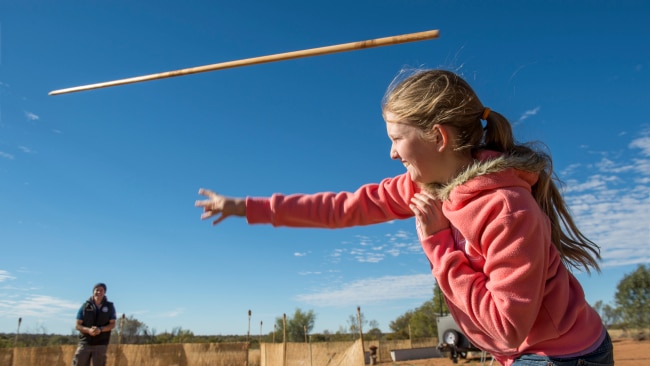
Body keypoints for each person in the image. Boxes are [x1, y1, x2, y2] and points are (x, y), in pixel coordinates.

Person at [195, 69, 614, 366]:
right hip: (519, 352)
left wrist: (438, 244)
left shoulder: (506, 208)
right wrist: (244, 207)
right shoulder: (424, 187)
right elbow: (341, 208)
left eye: (397, 138)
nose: (392, 153)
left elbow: (506, 327)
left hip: (562, 355)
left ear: (439, 136)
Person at [72, 282, 117, 366]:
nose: (99, 292)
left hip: (101, 343)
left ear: (104, 292)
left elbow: (112, 324)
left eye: (101, 290)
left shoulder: (110, 306)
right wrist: (89, 330)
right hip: (85, 342)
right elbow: (77, 325)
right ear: (93, 291)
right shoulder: (85, 306)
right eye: (97, 290)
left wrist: (100, 329)